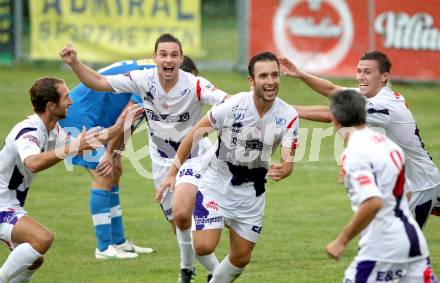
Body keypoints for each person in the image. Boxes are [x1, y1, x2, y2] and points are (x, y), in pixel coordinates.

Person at [59, 34, 227, 282]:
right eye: (163, 55)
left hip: (193, 160)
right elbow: (106, 93)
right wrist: (74, 62)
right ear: (155, 58)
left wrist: (249, 107)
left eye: (174, 55)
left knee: (182, 215)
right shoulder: (145, 80)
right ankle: (190, 268)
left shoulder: (195, 84)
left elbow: (227, 101)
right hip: (142, 152)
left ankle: (205, 272)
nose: (169, 61)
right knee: (177, 223)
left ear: (181, 60)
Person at [159, 51, 299, 283]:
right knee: (204, 246)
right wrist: (172, 173)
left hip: (252, 191)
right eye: (263, 76)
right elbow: (194, 135)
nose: (271, 81)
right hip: (217, 181)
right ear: (251, 81)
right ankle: (187, 264)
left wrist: (284, 169)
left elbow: (288, 161)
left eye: (275, 75)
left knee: (241, 257)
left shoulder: (289, 116)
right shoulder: (233, 106)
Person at [280, 51, 440, 228]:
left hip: (420, 185)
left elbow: (331, 114)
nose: (360, 77)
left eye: (367, 72)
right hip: (412, 179)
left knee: (399, 243)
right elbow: (332, 90)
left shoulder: (384, 105)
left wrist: (283, 109)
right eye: (358, 71)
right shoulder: (371, 95)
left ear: (384, 76)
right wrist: (300, 74)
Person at [59, 56, 196, 260]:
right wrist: (108, 154)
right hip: (80, 118)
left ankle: (119, 242)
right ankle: (104, 248)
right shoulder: (155, 81)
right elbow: (129, 114)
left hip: (93, 115)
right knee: (103, 176)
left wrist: (115, 153)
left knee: (114, 171)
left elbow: (130, 121)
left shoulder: (155, 70)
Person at [0, 77, 131, 283]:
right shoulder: (29, 132)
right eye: (66, 97)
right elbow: (32, 162)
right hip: (1, 206)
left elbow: (87, 141)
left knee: (33, 260)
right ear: (51, 105)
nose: (71, 101)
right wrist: (72, 148)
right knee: (43, 238)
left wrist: (121, 125)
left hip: (11, 205)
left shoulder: (53, 130)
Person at [325, 89, 437, 282]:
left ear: (334, 120)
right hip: (413, 238)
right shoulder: (388, 144)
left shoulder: (354, 153)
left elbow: (373, 202)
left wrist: (341, 240)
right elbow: (407, 194)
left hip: (384, 243)